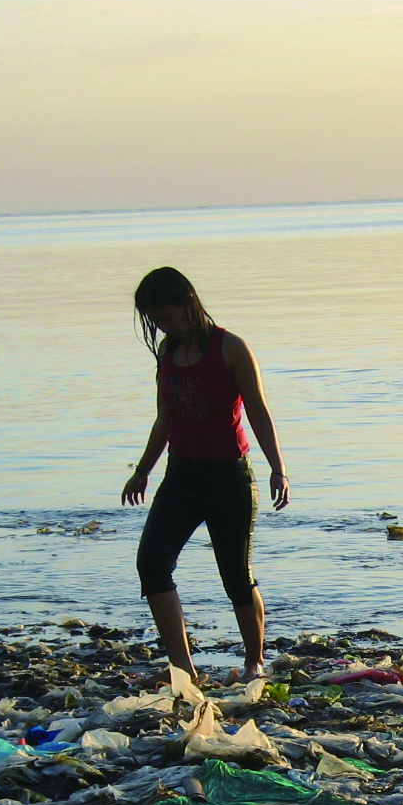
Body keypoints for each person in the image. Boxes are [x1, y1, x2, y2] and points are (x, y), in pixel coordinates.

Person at [122, 267, 289, 684]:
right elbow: (165, 418)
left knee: (235, 576)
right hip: (180, 477)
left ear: (190, 304)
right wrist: (142, 470)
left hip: (228, 478)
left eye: (170, 318)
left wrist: (278, 469)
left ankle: (254, 661)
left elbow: (258, 410)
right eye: (157, 321)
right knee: (152, 564)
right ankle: (182, 668)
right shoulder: (167, 352)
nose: (165, 327)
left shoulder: (230, 348)